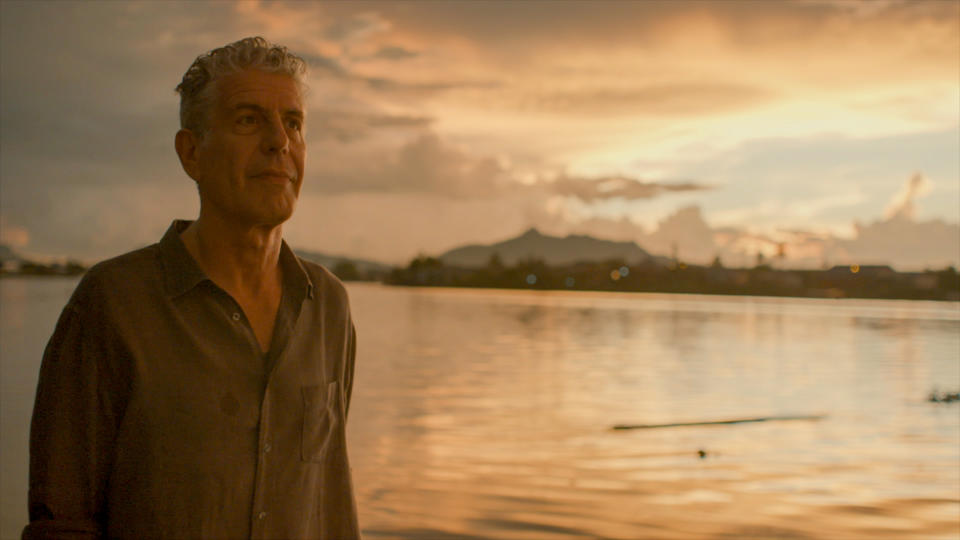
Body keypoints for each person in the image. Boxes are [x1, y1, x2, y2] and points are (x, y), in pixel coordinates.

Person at [23, 37, 360, 539]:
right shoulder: (112, 305)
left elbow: (329, 499)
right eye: (249, 119)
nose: (279, 142)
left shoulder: (328, 305)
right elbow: (62, 525)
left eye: (293, 122)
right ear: (191, 153)